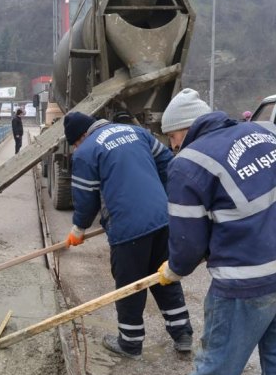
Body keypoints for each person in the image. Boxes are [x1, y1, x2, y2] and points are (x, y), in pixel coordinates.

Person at [157, 88, 276, 375]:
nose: (173, 146)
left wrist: (174, 269)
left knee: (216, 371)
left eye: (172, 137)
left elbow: (188, 244)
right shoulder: (265, 130)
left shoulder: (187, 164)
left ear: (183, 129)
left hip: (250, 280)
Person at [63, 111, 193, 359]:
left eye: (75, 143)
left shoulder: (86, 151)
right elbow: (167, 162)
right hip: (162, 219)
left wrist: (78, 229)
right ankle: (183, 334)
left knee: (129, 284)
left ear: (80, 137)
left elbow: (86, 199)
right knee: (165, 276)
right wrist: (163, 198)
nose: (77, 147)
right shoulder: (137, 132)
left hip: (128, 228)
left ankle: (130, 343)